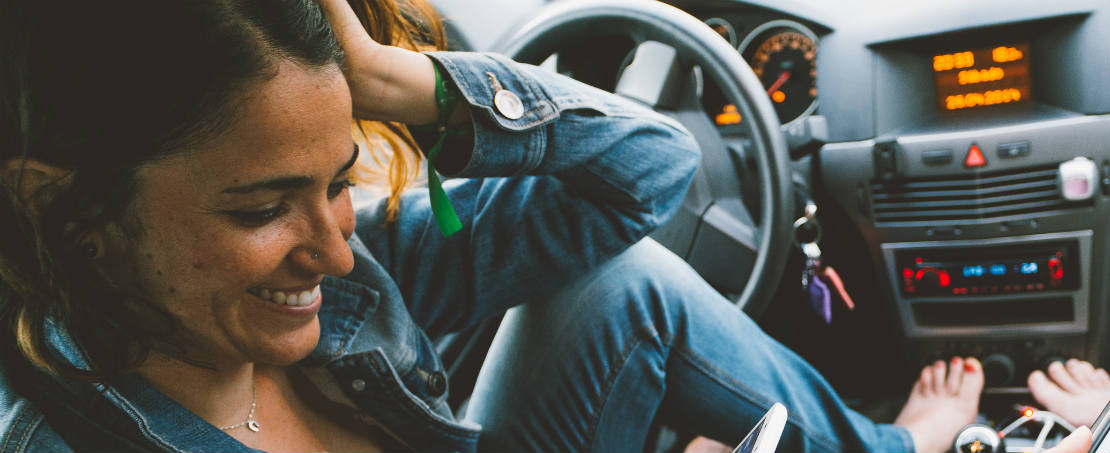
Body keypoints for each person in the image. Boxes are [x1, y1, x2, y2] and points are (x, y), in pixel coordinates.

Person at [0, 0, 984, 451]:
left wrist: (409, 82)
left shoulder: (351, 268)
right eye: (262, 207)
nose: (338, 251)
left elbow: (653, 172)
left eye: (339, 181)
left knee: (616, 279)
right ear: (66, 208)